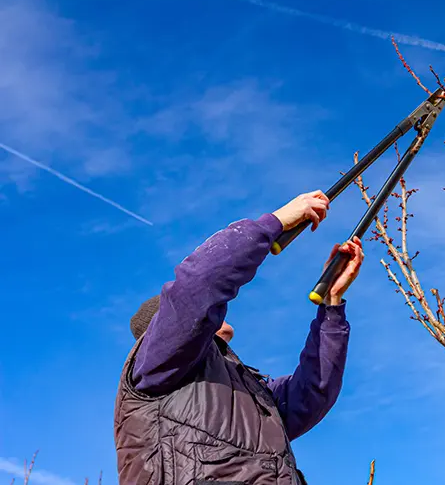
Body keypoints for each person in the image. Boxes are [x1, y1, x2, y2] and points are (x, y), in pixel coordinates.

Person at [113, 190, 364, 485]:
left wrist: (331, 305)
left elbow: (312, 391)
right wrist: (275, 223)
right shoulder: (157, 362)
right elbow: (198, 287)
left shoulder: (249, 391)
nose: (220, 319)